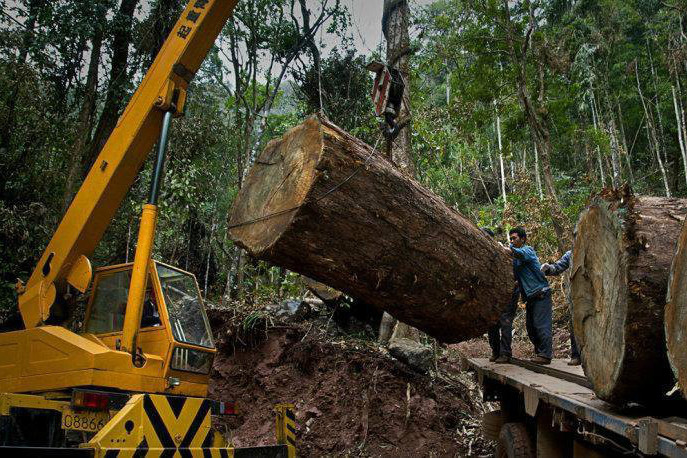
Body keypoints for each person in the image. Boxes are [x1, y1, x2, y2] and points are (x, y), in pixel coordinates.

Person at [503, 227, 553, 365]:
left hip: (541, 293)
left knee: (541, 325)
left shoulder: (527, 251)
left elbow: (517, 253)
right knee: (531, 328)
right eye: (511, 239)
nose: (512, 241)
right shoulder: (516, 260)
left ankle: (545, 355)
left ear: (523, 239)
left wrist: (506, 249)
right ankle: (540, 353)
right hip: (530, 297)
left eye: (515, 238)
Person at [481, 228, 520, 364]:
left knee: (505, 320)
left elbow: (515, 269)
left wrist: (513, 285)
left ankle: (505, 353)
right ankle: (496, 351)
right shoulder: (480, 254)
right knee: (492, 322)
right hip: (493, 294)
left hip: (509, 291)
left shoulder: (503, 250)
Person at [541, 250, 581, 366]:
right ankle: (576, 356)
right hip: (577, 296)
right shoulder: (571, 253)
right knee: (575, 325)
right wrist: (548, 269)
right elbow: (559, 266)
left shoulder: (598, 248)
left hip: (598, 295)